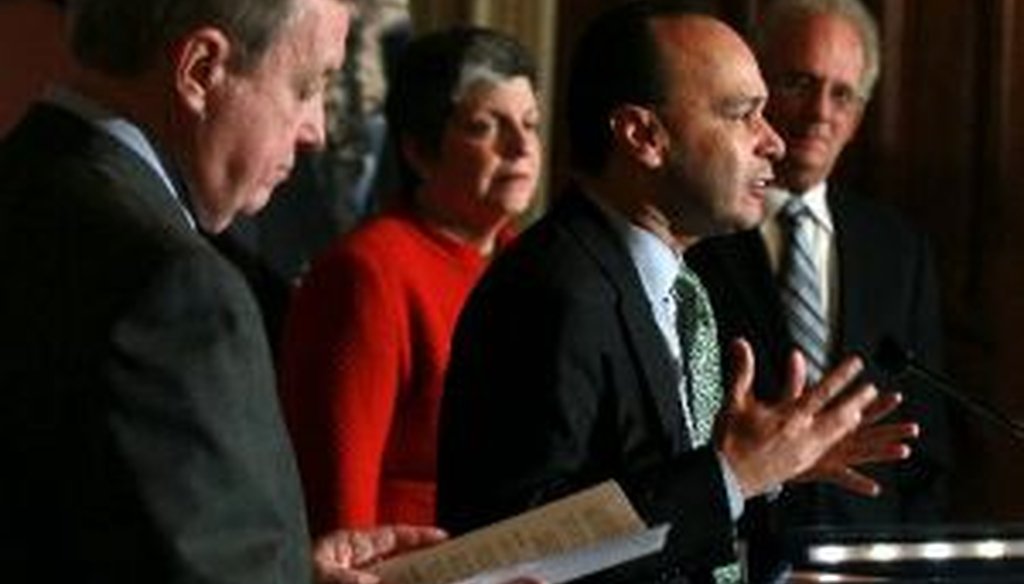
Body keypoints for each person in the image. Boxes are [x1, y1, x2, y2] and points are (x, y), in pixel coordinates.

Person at [436, 2, 919, 582]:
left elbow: (648, 496)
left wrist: (767, 471)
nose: (773, 143)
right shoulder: (554, 291)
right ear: (644, 134)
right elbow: (511, 554)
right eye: (743, 114)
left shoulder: (677, 284)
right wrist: (730, 477)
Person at [0, 0, 467, 582]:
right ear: (200, 71)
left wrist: (290, 570)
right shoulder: (176, 287)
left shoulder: (23, 185)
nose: (316, 132)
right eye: (306, 86)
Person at [687, 0, 952, 533]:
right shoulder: (694, 230)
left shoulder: (897, 247)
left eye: (842, 94)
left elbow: (926, 438)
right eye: (798, 83)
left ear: (858, 116)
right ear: (755, 93)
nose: (819, 112)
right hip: (731, 543)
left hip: (863, 551)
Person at [279, 26, 541, 534]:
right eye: (486, 127)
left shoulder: (530, 261)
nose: (520, 147)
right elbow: (338, 496)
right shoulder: (368, 272)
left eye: (530, 124)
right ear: (419, 149)